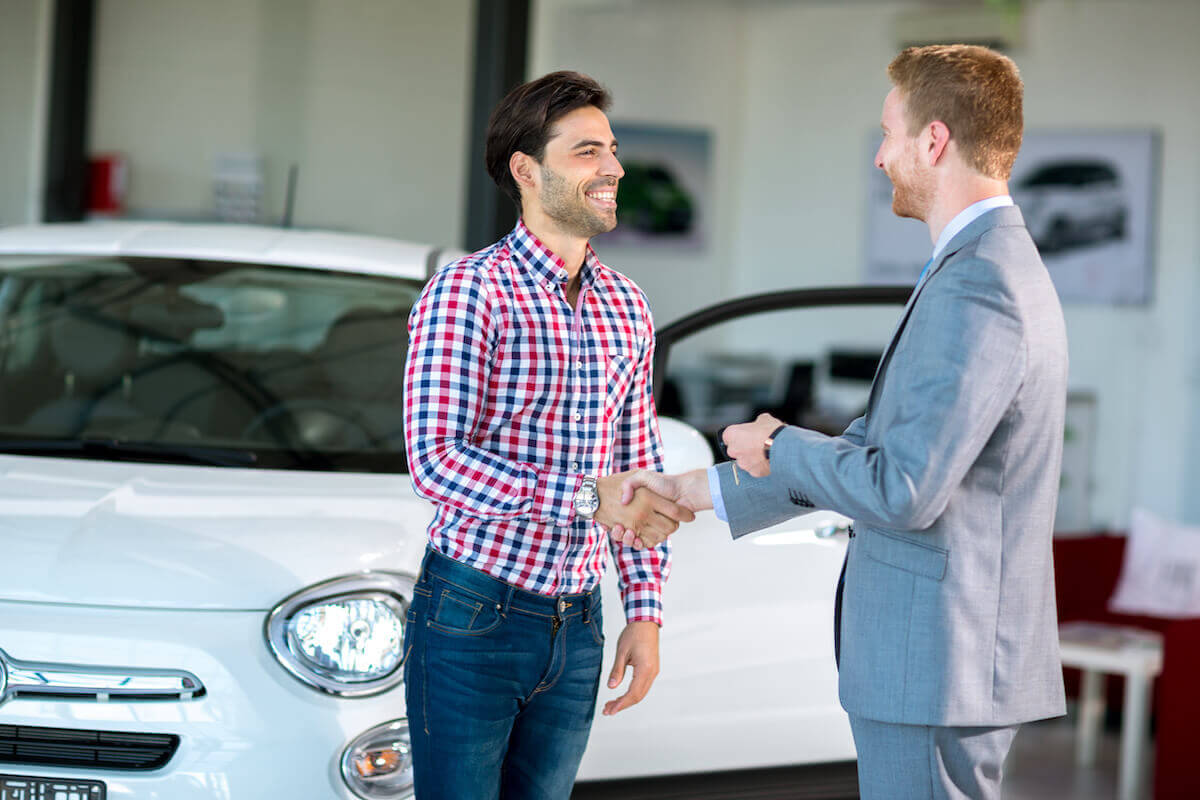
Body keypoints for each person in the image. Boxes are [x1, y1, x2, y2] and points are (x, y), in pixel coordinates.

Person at [614, 45, 1068, 800]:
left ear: (935, 140)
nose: (882, 157)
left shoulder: (980, 281)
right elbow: (878, 448)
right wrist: (695, 490)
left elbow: (904, 488)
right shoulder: (980, 264)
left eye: (889, 134)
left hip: (936, 665)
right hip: (936, 663)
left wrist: (778, 442)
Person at [401, 70, 693, 800]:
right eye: (588, 151)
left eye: (613, 150)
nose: (614, 168)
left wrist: (645, 613)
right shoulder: (469, 291)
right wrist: (586, 497)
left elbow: (637, 466)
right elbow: (436, 463)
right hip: (472, 612)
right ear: (526, 170)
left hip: (580, 621)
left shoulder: (627, 305)